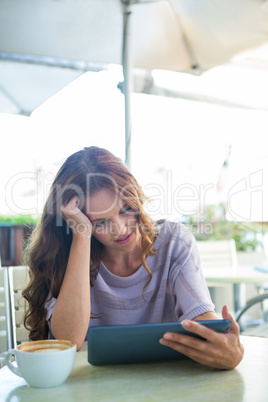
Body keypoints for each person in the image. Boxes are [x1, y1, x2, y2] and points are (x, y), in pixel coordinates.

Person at [23, 146, 244, 369]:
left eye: (125, 209)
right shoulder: (67, 255)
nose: (120, 229)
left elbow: (201, 318)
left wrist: (226, 347)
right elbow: (69, 341)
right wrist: (82, 236)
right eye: (100, 222)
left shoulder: (173, 242)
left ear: (136, 197)